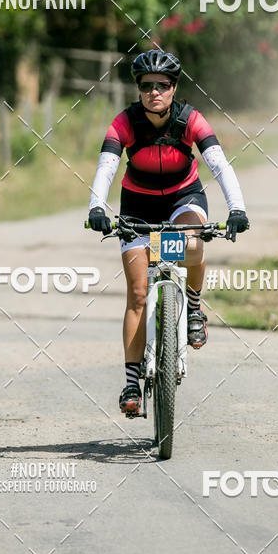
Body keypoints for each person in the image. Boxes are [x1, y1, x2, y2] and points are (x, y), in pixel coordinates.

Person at [87, 50, 249, 416]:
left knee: (191, 243)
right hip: (138, 206)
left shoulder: (191, 119)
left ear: (174, 87)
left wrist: (237, 208)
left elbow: (219, 165)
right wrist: (97, 207)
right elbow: (107, 166)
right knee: (138, 293)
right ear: (138, 89)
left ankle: (193, 308)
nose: (154, 92)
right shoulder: (124, 122)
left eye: (162, 85)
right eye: (146, 86)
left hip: (182, 199)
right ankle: (131, 382)